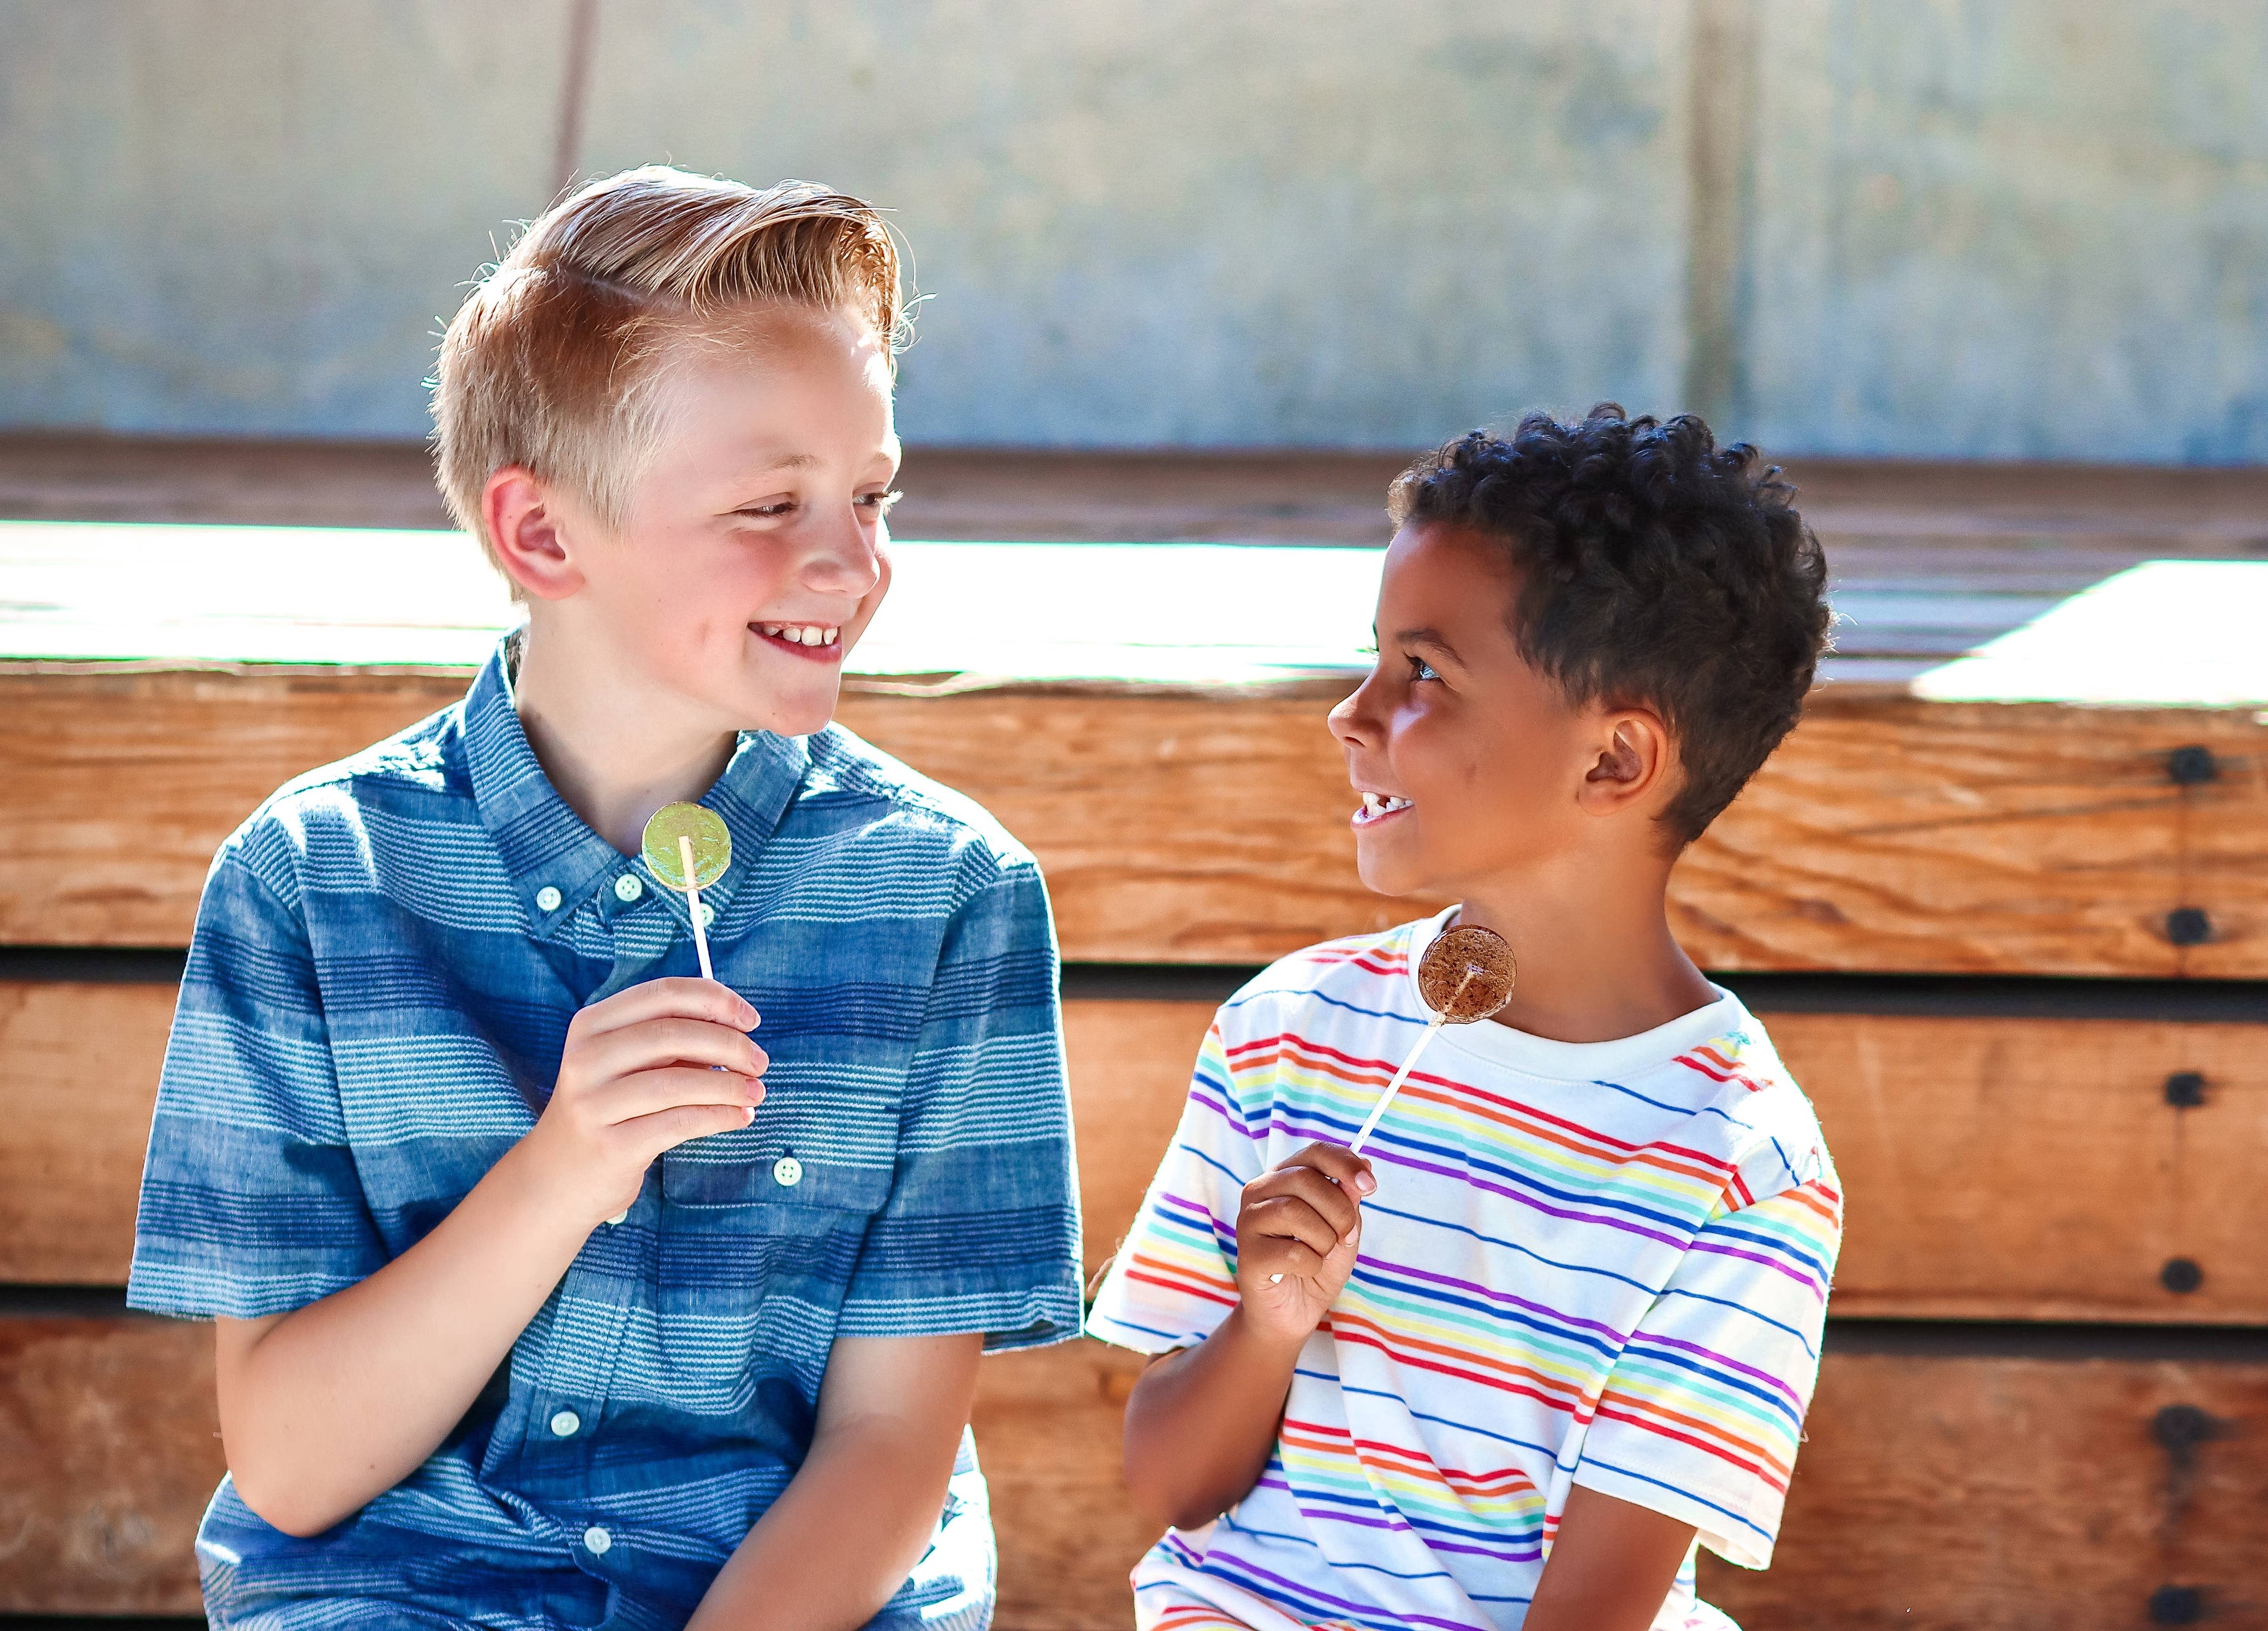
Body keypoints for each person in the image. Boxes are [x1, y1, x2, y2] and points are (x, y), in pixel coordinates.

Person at [127, 165, 1081, 1630]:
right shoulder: (312, 879)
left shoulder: (949, 894)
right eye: (773, 502)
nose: (853, 557)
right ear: (544, 537)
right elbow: (297, 1467)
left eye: (872, 492)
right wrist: (565, 1167)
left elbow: (889, 1450)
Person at [1088, 407, 1843, 1631]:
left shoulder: (1740, 1165)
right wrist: (1270, 1325)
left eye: (1423, 672)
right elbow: (1172, 1480)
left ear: (1613, 763)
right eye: (1376, 659)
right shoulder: (1288, 1032)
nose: (1352, 712)